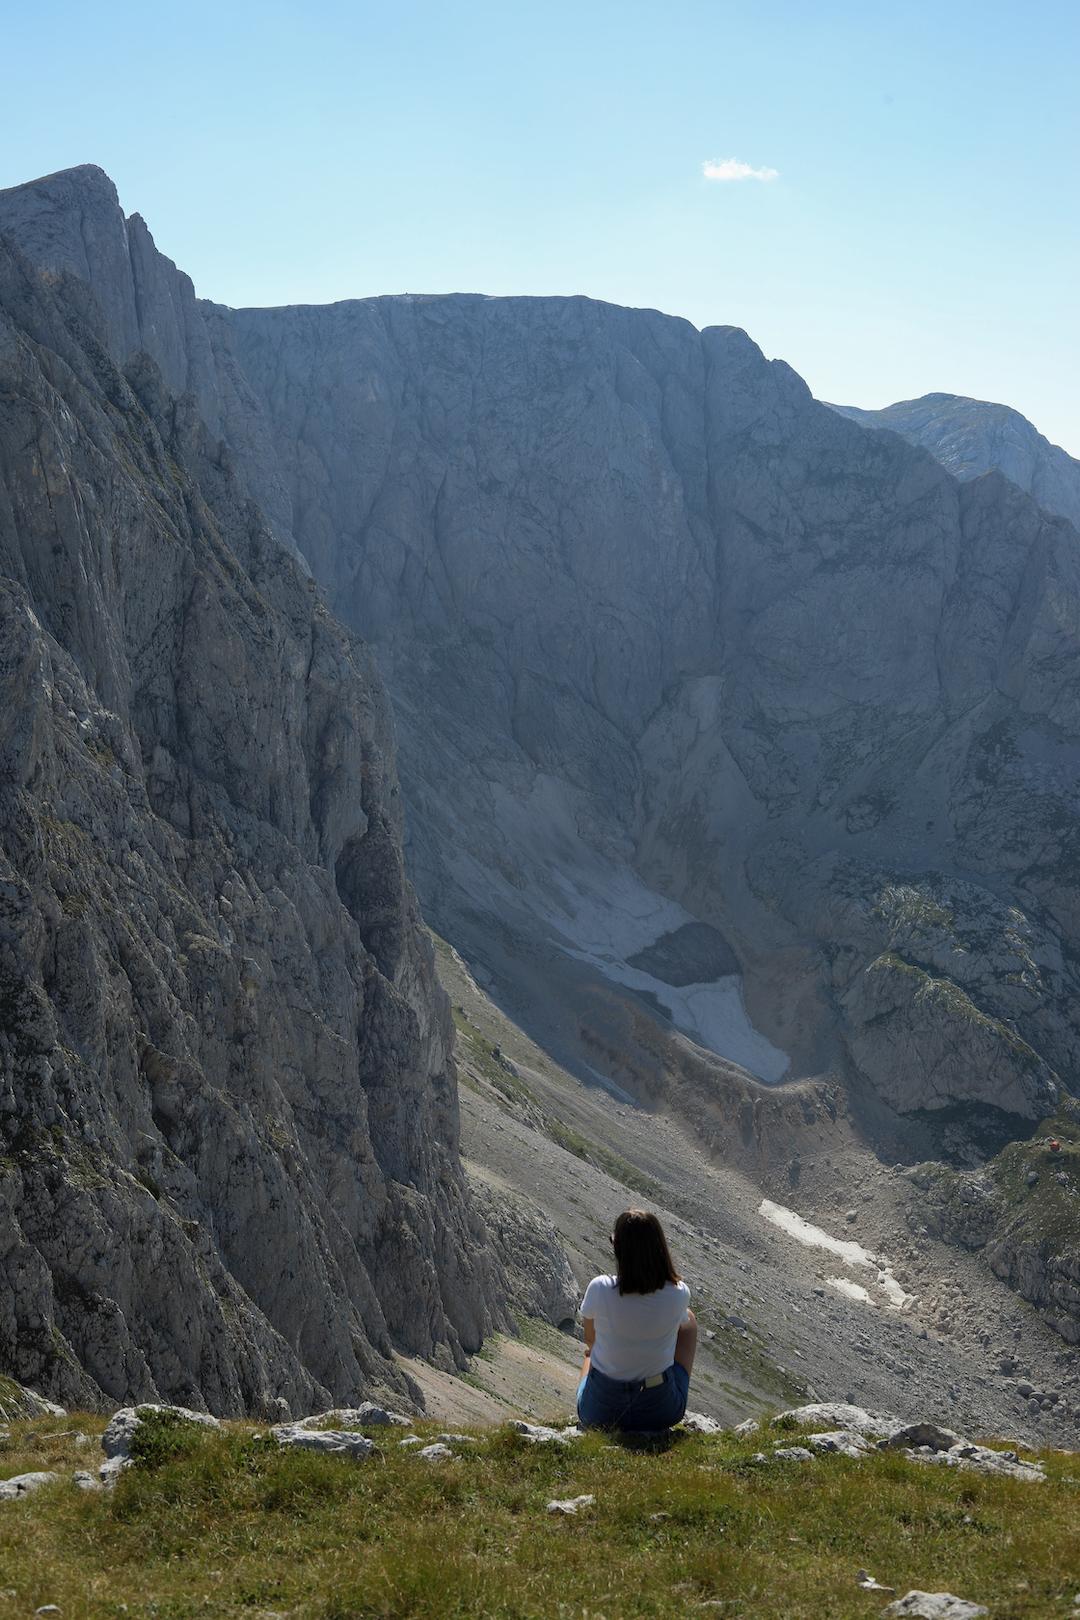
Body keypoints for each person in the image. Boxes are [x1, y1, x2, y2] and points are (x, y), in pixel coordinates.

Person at [576, 1208, 697, 1432]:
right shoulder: (679, 1293)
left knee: (590, 1355)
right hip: (660, 1412)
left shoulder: (599, 1287)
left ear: (618, 1248)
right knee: (688, 1321)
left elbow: (590, 1339)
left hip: (599, 1413)